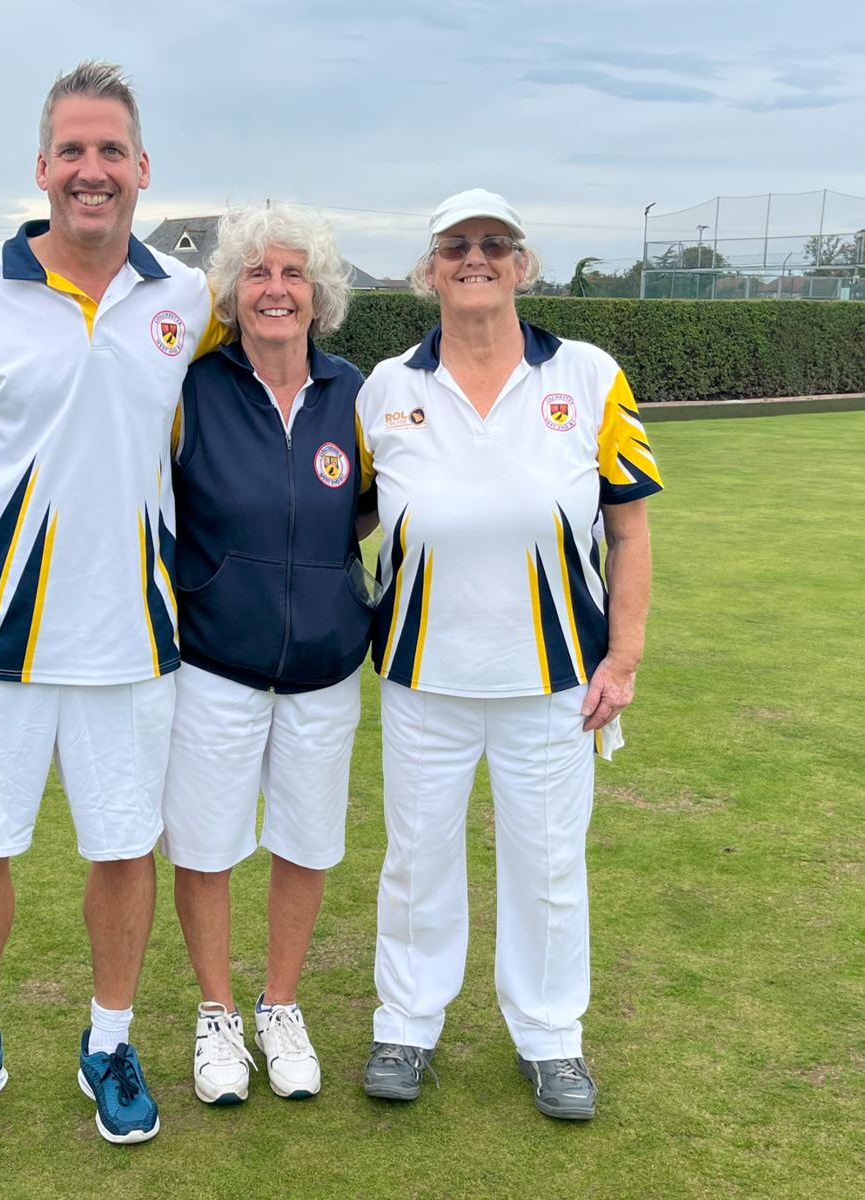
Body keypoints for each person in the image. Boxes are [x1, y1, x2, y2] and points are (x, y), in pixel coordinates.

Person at [0, 59, 227, 1149]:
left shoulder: (186, 299)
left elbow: (268, 363)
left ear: (142, 170)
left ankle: (109, 1041)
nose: (92, 170)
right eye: (72, 151)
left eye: (111, 151)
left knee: (123, 850)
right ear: (42, 168)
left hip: (133, 638)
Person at [355, 189, 663, 1119]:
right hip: (421, 678)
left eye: (495, 245)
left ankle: (552, 1040)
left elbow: (630, 530)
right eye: (456, 246)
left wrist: (625, 656)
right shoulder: (386, 388)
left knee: (548, 862)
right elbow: (343, 516)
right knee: (415, 859)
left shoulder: (591, 374)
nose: (475, 259)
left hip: (553, 681)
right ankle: (406, 1025)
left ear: (523, 265)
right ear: (430, 269)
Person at [159, 205, 376, 1105]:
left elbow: (372, 506)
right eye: (257, 274)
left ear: (319, 296)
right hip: (215, 661)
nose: (276, 289)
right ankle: (217, 1017)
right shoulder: (193, 387)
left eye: (293, 275)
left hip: (325, 666)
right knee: (206, 847)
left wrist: (324, 578)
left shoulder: (355, 393)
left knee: (307, 842)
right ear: (233, 293)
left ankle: (279, 1006)